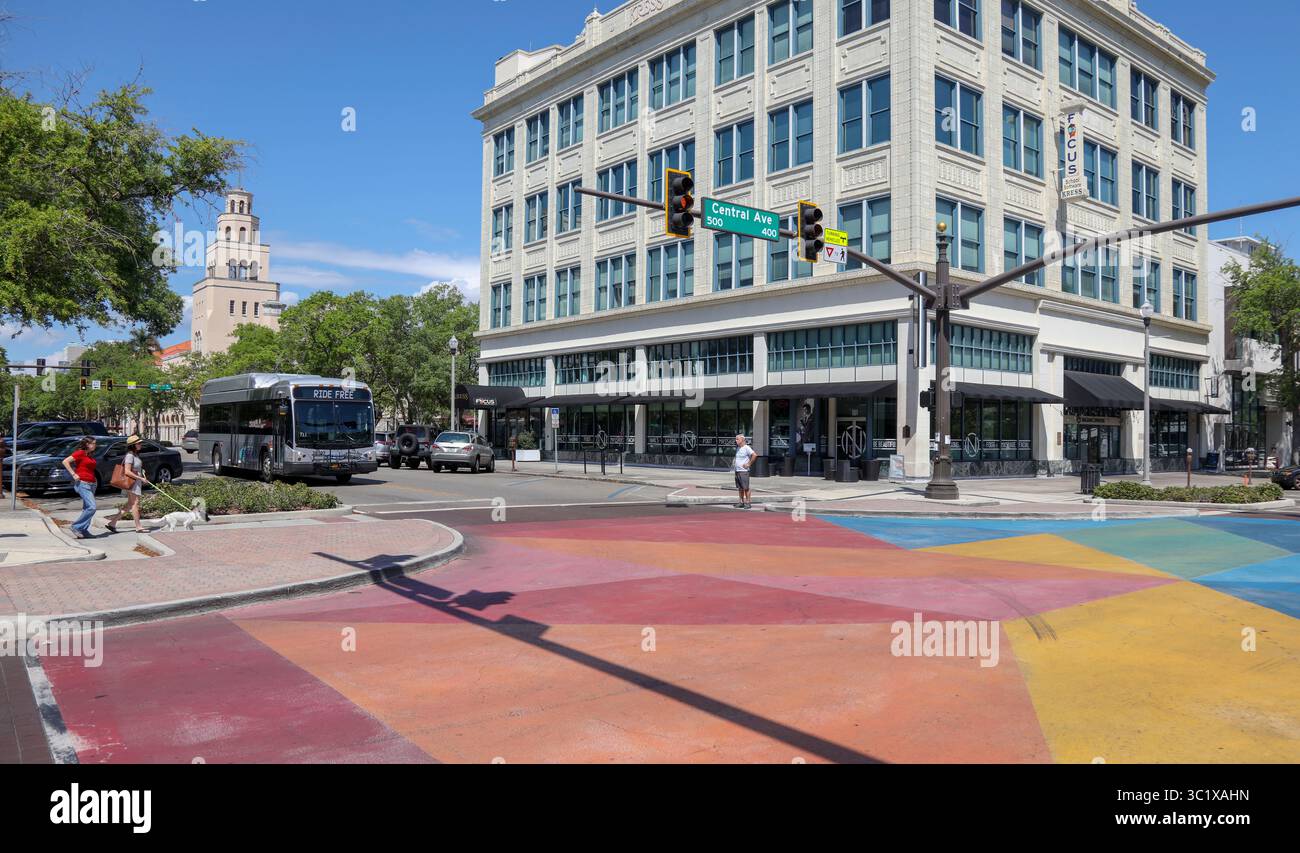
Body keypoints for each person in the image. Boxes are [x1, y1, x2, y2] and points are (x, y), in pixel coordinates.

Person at [104, 435, 149, 534]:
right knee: (135, 503)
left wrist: (142, 473)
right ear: (133, 445)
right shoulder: (130, 456)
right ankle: (138, 526)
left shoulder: (135, 455)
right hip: (132, 482)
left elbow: (135, 469)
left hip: (136, 482)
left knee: (130, 505)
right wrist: (140, 478)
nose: (140, 445)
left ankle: (112, 523)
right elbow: (127, 472)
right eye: (138, 443)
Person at [62, 436, 99, 539]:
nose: (95, 445)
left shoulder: (90, 455)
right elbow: (65, 461)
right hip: (83, 484)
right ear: (87, 444)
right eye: (93, 443)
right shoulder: (80, 453)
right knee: (92, 507)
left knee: (87, 508)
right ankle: (76, 526)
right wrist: (74, 474)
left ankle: (84, 530)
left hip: (92, 484)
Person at [732, 433, 756, 509]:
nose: (736, 440)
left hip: (743, 471)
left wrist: (749, 464)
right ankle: (741, 502)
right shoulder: (738, 448)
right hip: (737, 470)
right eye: (736, 439)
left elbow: (754, 455)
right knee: (740, 488)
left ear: (742, 439)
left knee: (746, 487)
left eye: (737, 439)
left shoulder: (746, 448)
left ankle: (748, 502)